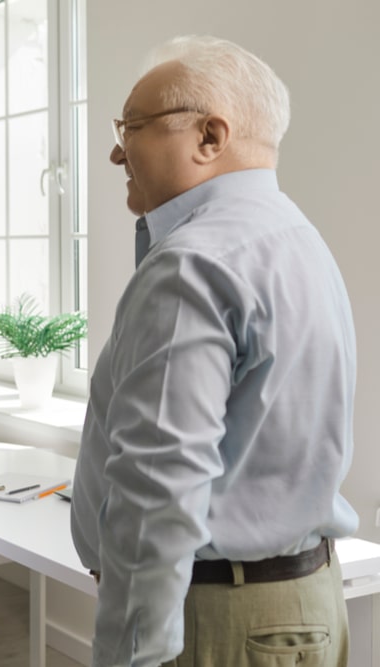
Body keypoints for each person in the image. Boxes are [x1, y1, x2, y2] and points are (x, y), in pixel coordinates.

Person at [70, 35, 358, 667]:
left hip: (217, 621)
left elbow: (158, 488)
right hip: (300, 605)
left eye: (133, 127)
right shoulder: (294, 236)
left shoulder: (194, 263)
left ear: (210, 136)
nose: (116, 150)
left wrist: (126, 654)